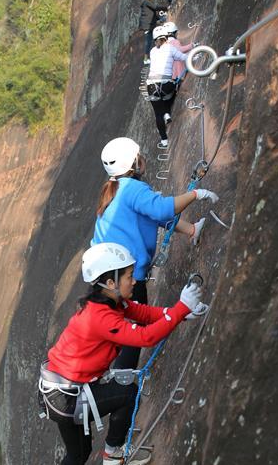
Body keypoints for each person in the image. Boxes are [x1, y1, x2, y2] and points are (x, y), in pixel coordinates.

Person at [38, 243, 208, 465]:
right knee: (129, 389)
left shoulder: (109, 303)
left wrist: (180, 313)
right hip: (65, 395)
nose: (133, 280)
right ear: (109, 282)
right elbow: (145, 338)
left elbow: (143, 315)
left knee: (78, 451)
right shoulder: (100, 317)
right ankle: (113, 453)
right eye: (128, 276)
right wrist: (180, 309)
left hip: (59, 390)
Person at [92, 136, 219, 369]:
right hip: (123, 272)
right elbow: (161, 210)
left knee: (130, 319)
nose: (143, 158)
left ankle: (180, 310)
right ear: (133, 164)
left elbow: (148, 218)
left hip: (105, 272)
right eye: (138, 156)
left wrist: (190, 230)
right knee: (134, 329)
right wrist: (196, 194)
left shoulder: (114, 189)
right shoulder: (132, 189)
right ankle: (124, 388)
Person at [146, 25, 188, 145]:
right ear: (166, 36)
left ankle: (164, 140)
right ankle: (167, 112)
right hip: (166, 86)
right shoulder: (170, 48)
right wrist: (195, 54)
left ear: (155, 39)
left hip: (151, 86)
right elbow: (183, 57)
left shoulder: (152, 51)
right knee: (172, 92)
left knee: (157, 113)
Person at [138, 0, 167, 64]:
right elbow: (155, 8)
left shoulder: (147, 2)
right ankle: (146, 58)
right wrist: (167, 8)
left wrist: (159, 19)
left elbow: (153, 14)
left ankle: (148, 57)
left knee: (151, 40)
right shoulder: (147, 2)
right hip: (148, 25)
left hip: (148, 25)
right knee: (149, 41)